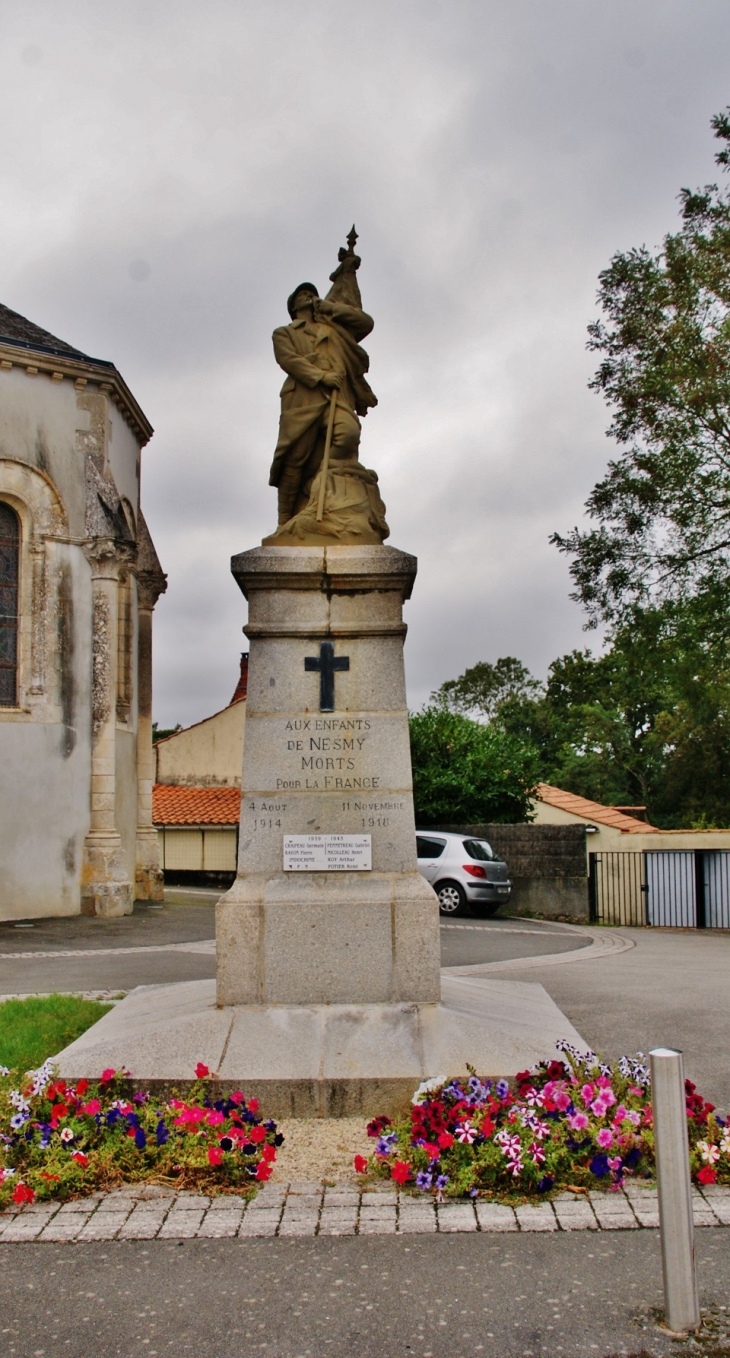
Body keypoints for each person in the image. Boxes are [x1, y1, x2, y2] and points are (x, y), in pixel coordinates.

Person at [268, 282, 377, 526]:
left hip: (335, 397)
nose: (309, 295)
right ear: (293, 306)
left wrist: (327, 307)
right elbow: (289, 359)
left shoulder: (332, 328)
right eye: (302, 294)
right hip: (303, 398)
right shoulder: (284, 332)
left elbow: (365, 323)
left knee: (348, 433)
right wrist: (321, 375)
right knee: (295, 457)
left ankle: (316, 486)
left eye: (312, 293)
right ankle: (286, 518)